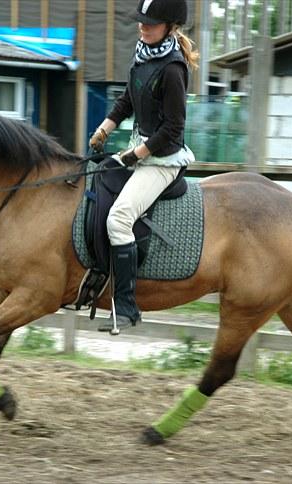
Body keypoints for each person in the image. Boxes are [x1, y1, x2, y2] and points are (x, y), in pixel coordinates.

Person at [89, 0, 199, 332]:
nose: (142, 26)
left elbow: (173, 130)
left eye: (150, 22)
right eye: (141, 21)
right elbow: (127, 98)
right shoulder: (143, 56)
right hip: (141, 150)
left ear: (170, 26)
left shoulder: (172, 68)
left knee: (120, 217)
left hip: (162, 159)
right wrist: (105, 127)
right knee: (99, 178)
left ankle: (125, 306)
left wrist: (136, 154)